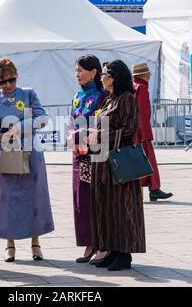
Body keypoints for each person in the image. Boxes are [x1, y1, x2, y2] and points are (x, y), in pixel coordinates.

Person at [0, 58, 54, 262]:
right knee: (7, 198)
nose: (8, 85)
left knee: (34, 196)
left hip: (31, 152)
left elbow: (42, 118)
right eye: (2, 82)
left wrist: (20, 127)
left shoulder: (28, 94)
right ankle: (9, 244)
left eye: (11, 80)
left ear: (16, 75)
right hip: (6, 153)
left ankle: (35, 242)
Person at [88, 59, 146, 271]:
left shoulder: (127, 99)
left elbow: (130, 129)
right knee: (106, 207)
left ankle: (124, 253)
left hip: (119, 162)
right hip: (102, 160)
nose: (100, 78)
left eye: (104, 74)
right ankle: (112, 249)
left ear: (113, 77)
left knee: (123, 208)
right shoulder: (108, 100)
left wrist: (101, 135)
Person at [67, 55, 107, 264]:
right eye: (76, 71)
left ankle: (101, 243)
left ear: (94, 72)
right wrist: (72, 139)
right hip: (78, 155)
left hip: (96, 155)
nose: (77, 75)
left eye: (81, 70)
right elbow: (71, 121)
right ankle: (88, 242)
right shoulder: (76, 96)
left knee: (96, 199)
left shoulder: (102, 95)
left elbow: (101, 125)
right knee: (80, 200)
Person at [132, 63, 173, 201]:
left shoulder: (133, 86)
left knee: (141, 162)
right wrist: (144, 133)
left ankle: (152, 188)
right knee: (149, 162)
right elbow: (142, 113)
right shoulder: (142, 88)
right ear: (143, 75)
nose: (150, 75)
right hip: (142, 132)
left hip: (135, 132)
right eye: (148, 73)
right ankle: (154, 189)